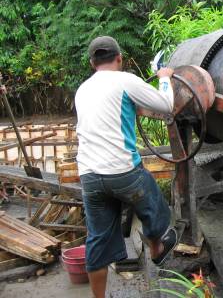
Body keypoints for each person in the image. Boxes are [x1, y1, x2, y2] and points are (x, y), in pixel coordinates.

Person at [75, 36, 177, 298]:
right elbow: (166, 105)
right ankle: (156, 249)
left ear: (91, 63)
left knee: (97, 238)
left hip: (89, 177)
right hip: (123, 174)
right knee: (153, 203)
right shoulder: (125, 80)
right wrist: (164, 77)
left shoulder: (82, 90)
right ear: (119, 59)